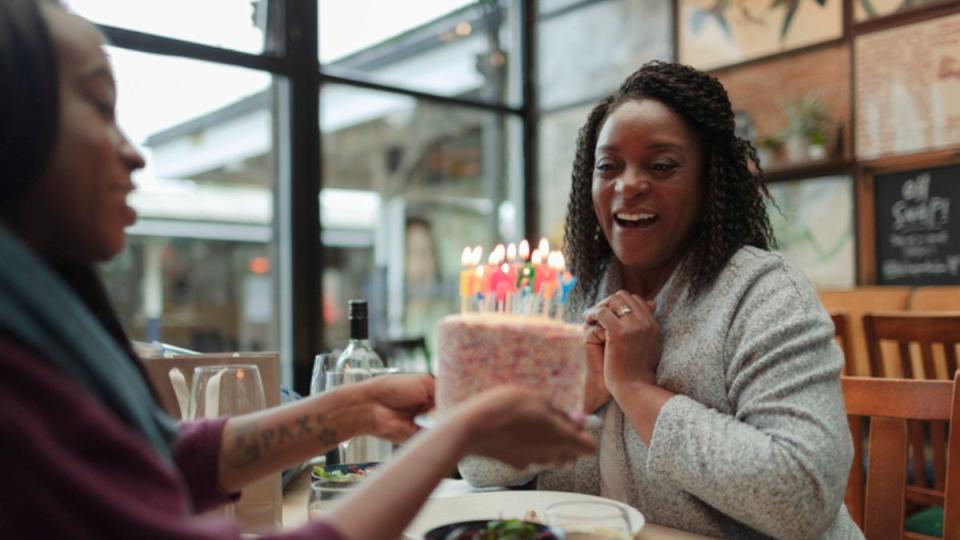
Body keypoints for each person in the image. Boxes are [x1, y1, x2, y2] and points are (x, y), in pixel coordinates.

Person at [0, 2, 596, 539]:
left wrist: (352, 409)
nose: (134, 153)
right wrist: (456, 432)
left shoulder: (41, 322)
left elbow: (164, 457)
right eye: (101, 107)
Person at [459, 61, 862, 539]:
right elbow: (476, 463)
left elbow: (803, 499)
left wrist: (636, 389)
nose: (628, 184)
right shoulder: (569, 298)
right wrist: (573, 396)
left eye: (662, 165)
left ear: (708, 181)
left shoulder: (765, 295)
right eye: (608, 166)